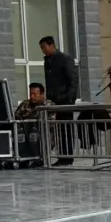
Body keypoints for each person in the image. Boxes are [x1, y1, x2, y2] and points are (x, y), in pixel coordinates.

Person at [40, 36, 79, 167]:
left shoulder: (64, 59)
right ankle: (61, 156)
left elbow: (73, 80)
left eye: (44, 47)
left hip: (64, 100)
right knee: (57, 129)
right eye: (41, 48)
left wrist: (69, 99)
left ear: (51, 45)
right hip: (53, 101)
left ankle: (67, 157)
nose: (43, 50)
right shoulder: (48, 61)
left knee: (66, 128)